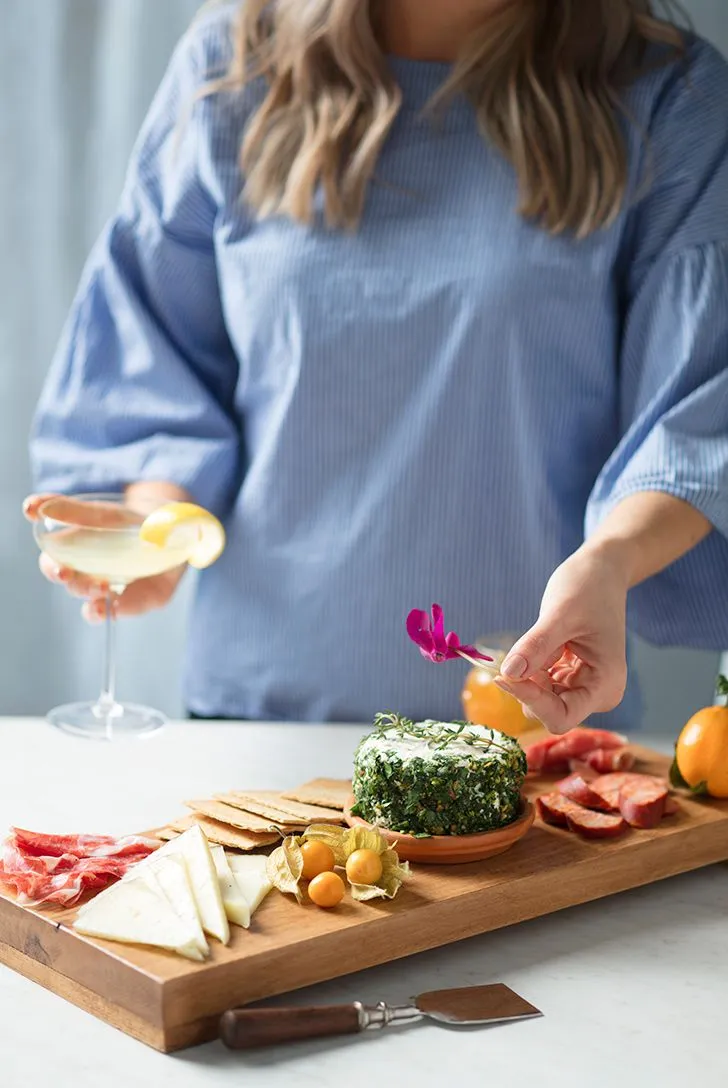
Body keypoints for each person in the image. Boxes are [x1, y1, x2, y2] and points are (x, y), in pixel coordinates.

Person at [24, 0, 728, 735]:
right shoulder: (232, 66)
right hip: (259, 727)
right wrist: (154, 526)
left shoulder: (670, 96)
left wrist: (611, 562)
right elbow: (158, 346)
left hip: (532, 733)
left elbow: (701, 407)